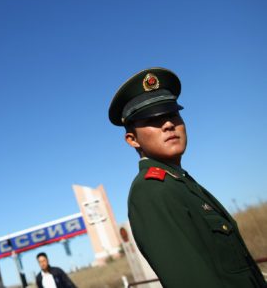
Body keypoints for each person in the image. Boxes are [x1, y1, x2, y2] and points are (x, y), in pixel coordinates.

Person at [108, 67, 266, 288]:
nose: (168, 124)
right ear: (132, 140)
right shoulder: (151, 191)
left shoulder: (180, 182)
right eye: (153, 120)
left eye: (172, 114)